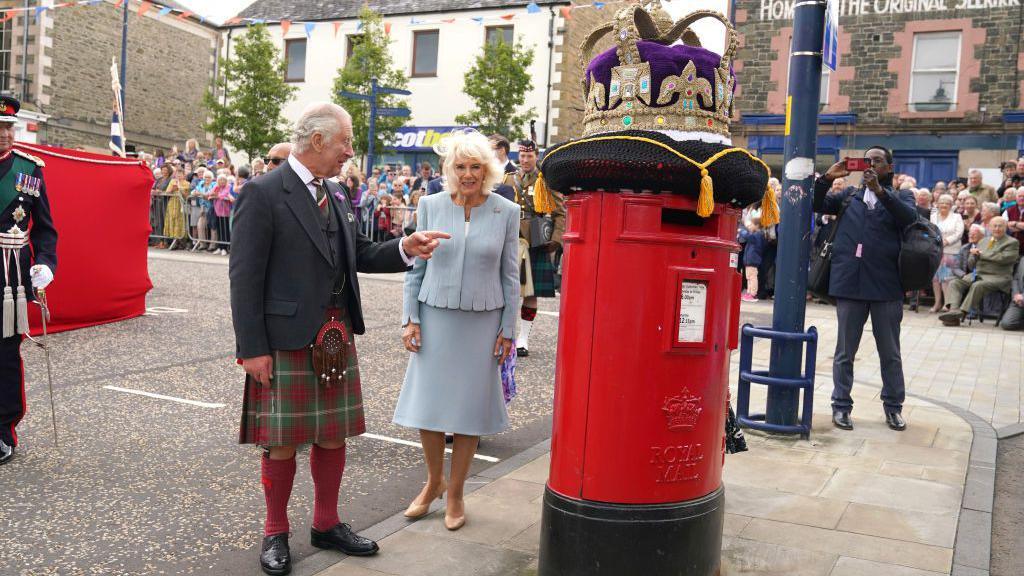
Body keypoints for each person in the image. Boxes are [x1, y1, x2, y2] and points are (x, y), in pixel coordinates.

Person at [230, 102, 448, 575]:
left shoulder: (339, 194)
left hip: (335, 332)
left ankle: (326, 523)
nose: (350, 151)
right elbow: (244, 278)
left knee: (333, 434)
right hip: (285, 337)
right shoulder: (263, 193)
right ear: (317, 142)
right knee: (282, 440)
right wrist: (251, 349)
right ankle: (275, 531)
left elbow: (361, 254)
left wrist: (405, 248)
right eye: (345, 142)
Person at [394, 131, 519, 531]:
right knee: (428, 407)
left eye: (476, 166)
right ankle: (433, 482)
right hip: (434, 317)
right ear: (450, 169)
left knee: (467, 413)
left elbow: (511, 275)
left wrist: (508, 329)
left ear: (488, 170)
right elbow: (417, 268)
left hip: (484, 322)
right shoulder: (429, 205)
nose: (468, 174)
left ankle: (457, 493)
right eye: (460, 166)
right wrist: (409, 317)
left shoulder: (505, 211)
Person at [813, 146, 917, 432]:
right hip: (850, 282)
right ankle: (841, 406)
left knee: (890, 352)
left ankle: (893, 407)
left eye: (878, 161)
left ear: (889, 169)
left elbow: (910, 219)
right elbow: (812, 203)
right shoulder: (848, 196)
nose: (871, 165)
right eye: (867, 160)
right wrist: (825, 179)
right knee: (845, 351)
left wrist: (881, 193)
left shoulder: (901, 195)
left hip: (886, 285)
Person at [0, 96, 57, 465]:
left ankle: (3, 429)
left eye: (8, 127)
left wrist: (46, 264)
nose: (5, 134)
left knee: (4, 354)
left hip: (8, 277)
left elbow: (46, 231)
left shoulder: (28, 169)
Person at [513, 139, 565, 357]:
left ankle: (523, 338)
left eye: (529, 156)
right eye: (522, 156)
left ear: (536, 156)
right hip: (511, 239)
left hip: (535, 240)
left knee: (530, 292)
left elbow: (560, 213)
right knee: (504, 290)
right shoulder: (509, 179)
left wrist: (555, 240)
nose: (525, 160)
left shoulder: (545, 181)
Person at [940, 217, 1019, 326]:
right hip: (979, 274)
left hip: (999, 277)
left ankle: (961, 313)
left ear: (1005, 227)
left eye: (1000, 226)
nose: (997, 228)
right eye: (994, 226)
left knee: (978, 285)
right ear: (989, 228)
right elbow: (971, 265)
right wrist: (973, 256)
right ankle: (954, 310)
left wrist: (982, 254)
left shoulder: (1012, 242)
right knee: (955, 283)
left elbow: (1004, 258)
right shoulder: (984, 241)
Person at [930, 194, 964, 312]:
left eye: (947, 203)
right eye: (941, 202)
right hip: (936, 250)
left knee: (946, 278)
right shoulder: (934, 216)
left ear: (951, 206)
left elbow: (959, 233)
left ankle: (947, 303)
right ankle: (937, 303)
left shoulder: (957, 217)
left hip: (951, 251)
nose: (944, 205)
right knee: (935, 278)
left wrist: (946, 241)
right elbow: (930, 230)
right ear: (937, 204)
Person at [163, 166, 190, 250]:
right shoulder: (172, 181)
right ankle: (173, 240)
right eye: (177, 174)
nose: (179, 176)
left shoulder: (187, 183)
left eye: (180, 174)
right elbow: (167, 193)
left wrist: (181, 189)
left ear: (184, 175)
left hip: (181, 204)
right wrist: (172, 189)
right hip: (172, 203)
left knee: (180, 221)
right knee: (172, 220)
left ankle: (181, 241)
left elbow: (187, 195)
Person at [1000, 254, 1024, 330]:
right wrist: (1016, 295)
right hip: (1019, 301)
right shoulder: (1023, 259)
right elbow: (1016, 278)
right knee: (1007, 323)